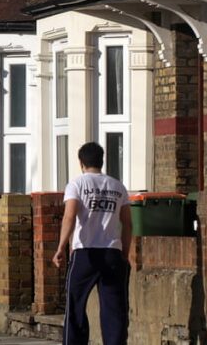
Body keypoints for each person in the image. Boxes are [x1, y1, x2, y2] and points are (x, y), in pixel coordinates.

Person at [53, 142, 132, 345]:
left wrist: (61, 247)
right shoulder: (118, 186)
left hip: (84, 254)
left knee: (75, 305)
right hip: (112, 252)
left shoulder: (77, 184)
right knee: (114, 310)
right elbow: (128, 223)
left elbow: (69, 216)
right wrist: (124, 254)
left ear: (81, 163)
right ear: (101, 160)